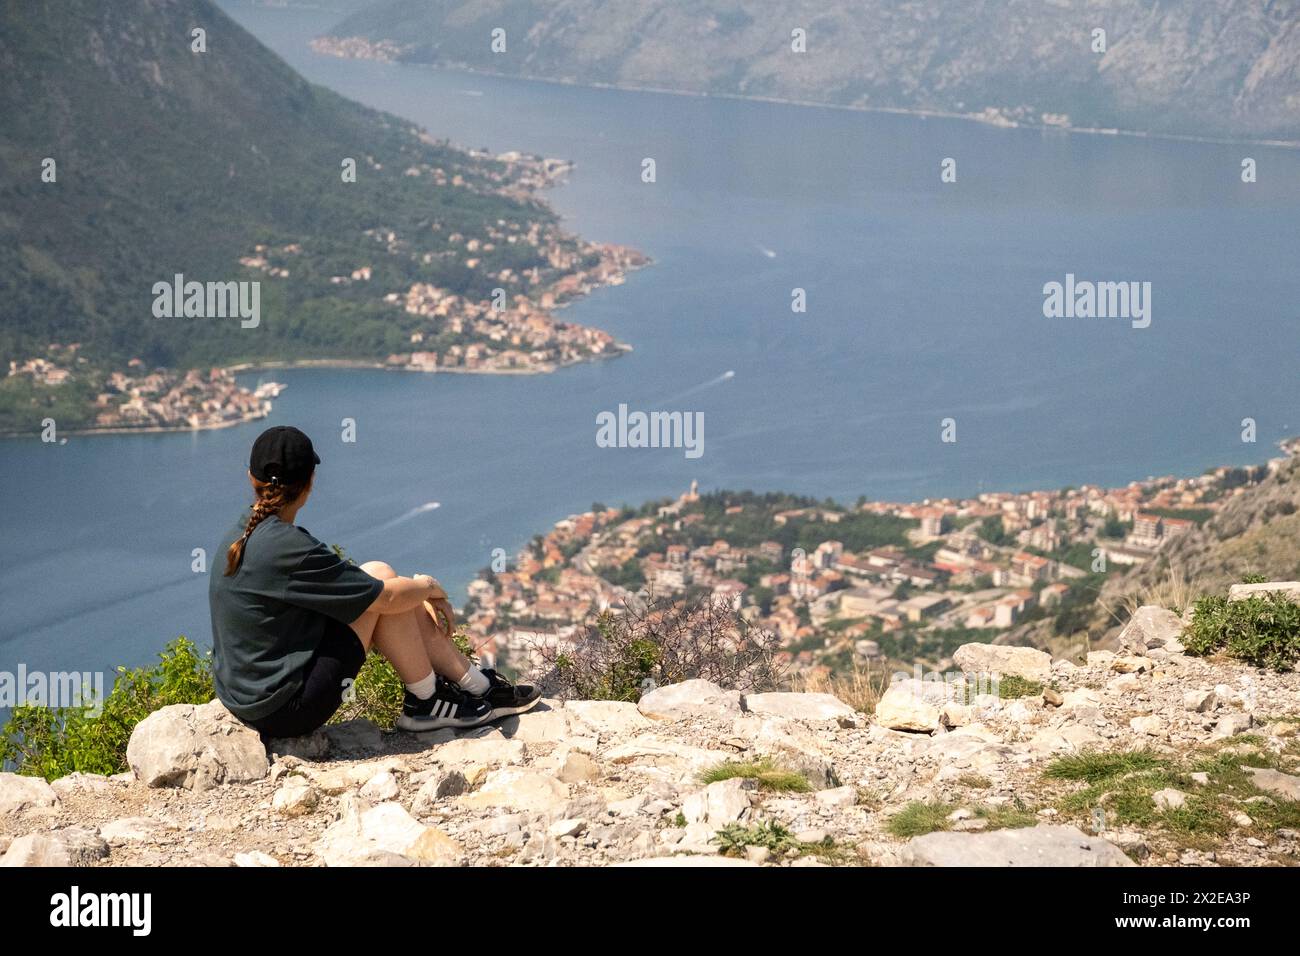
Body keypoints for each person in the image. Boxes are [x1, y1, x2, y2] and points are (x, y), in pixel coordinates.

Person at [209, 425, 539, 739]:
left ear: (251, 478)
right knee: (383, 585)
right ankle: (428, 700)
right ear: (310, 483)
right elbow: (386, 600)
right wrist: (429, 587)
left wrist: (413, 591)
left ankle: (474, 687)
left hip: (245, 697)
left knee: (380, 578)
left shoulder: (242, 533)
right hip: (286, 710)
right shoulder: (289, 548)